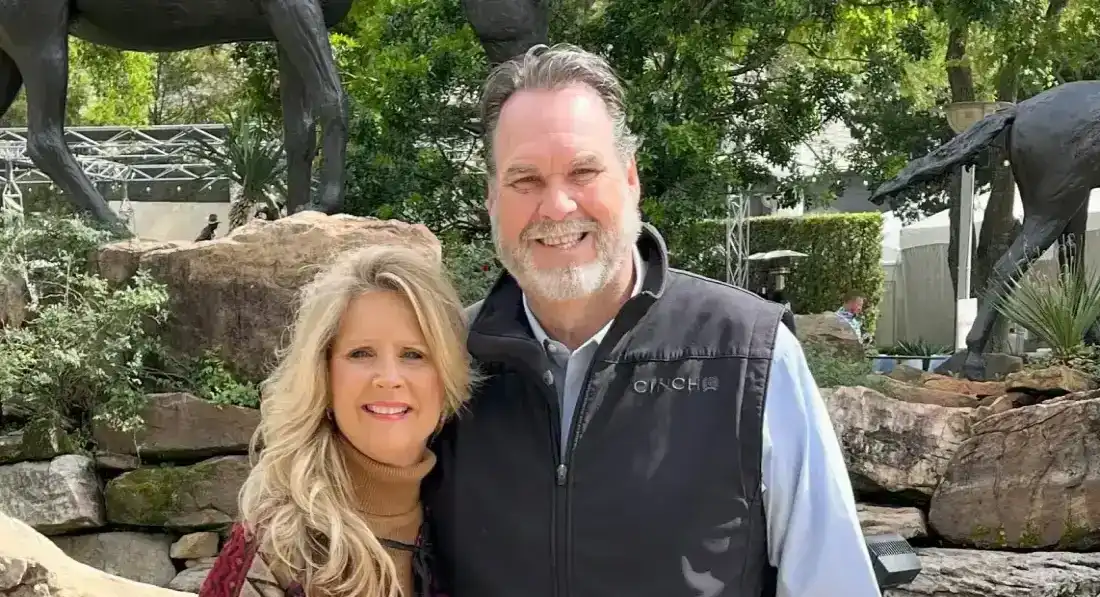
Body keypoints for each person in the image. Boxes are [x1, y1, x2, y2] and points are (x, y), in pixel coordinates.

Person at [424, 44, 881, 597]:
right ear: (491, 198)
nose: (558, 206)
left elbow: (833, 583)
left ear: (630, 178)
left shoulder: (748, 356)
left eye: (583, 171)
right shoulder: (442, 363)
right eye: (525, 180)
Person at [197, 245, 476, 597]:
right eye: (361, 353)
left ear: (447, 376)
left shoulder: (476, 529)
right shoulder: (276, 549)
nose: (389, 378)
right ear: (324, 376)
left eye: (413, 354)